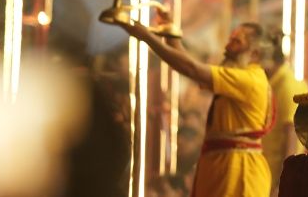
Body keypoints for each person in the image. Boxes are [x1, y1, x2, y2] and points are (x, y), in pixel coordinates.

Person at [117, 12, 274, 197]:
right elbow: (190, 66)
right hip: (224, 167)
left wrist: (146, 38)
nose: (227, 47)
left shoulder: (249, 79)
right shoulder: (239, 76)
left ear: (255, 54)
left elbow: (191, 68)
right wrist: (170, 34)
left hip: (239, 172)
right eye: (230, 40)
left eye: (236, 42)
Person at [261, 31, 308, 196]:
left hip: (276, 184)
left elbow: (293, 140)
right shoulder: (270, 84)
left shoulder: (288, 86)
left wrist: (283, 185)